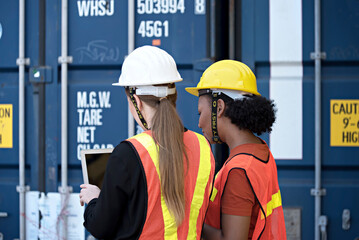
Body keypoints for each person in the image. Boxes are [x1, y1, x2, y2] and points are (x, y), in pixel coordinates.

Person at [79, 45, 215, 240]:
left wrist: (93, 199)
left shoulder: (129, 153)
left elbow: (101, 227)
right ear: (174, 95)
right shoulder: (202, 146)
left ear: (136, 101)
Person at [185, 60, 286, 240]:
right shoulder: (261, 152)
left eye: (200, 113)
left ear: (220, 107)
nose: (199, 123)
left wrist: (188, 216)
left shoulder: (239, 171)